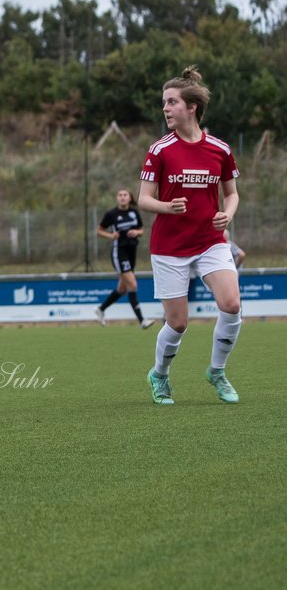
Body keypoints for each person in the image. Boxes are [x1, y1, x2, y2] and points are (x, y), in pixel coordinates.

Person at [138, 66, 242, 406]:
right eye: (164, 103)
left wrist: (228, 214)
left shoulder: (220, 150)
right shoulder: (160, 150)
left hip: (210, 241)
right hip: (169, 247)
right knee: (178, 324)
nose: (165, 109)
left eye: (172, 102)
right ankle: (160, 375)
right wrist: (167, 207)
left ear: (191, 107)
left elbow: (232, 193)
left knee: (231, 304)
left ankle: (217, 371)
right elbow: (144, 198)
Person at [93, 189, 154, 329]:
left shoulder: (134, 212)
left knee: (122, 288)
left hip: (132, 251)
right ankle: (142, 320)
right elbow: (99, 230)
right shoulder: (111, 214)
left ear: (129, 197)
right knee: (132, 284)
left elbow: (141, 229)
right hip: (119, 253)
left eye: (125, 195)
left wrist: (137, 232)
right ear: (117, 198)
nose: (122, 197)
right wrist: (110, 236)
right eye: (119, 195)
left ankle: (100, 309)